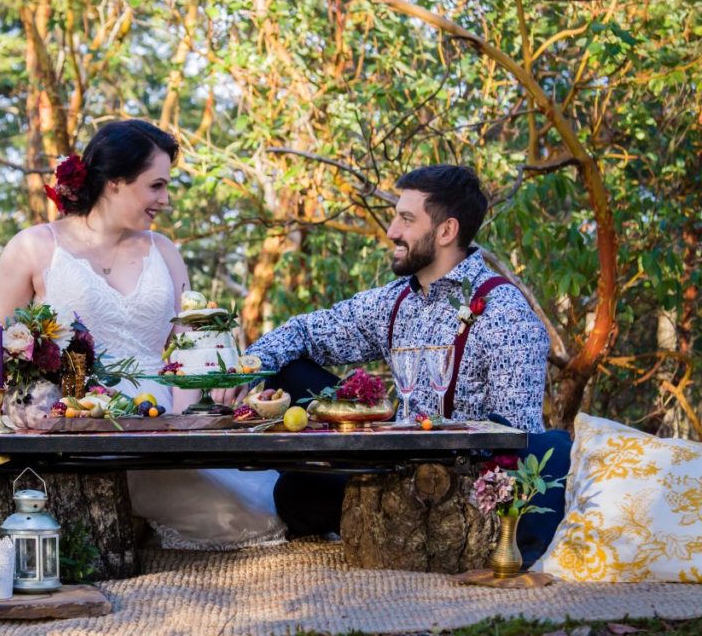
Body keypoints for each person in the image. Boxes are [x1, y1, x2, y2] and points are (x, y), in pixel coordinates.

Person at [217, 165, 568, 561]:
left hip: (458, 495)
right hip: (386, 471)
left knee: (549, 446)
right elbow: (307, 332)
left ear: (446, 231)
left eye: (405, 219)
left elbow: (518, 443)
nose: (391, 232)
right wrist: (252, 364)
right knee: (293, 470)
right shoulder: (394, 300)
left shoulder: (505, 313)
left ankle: (431, 539)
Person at [0, 119, 286, 550]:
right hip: (74, 423)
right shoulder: (34, 247)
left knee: (249, 514)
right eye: (156, 186)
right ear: (113, 183)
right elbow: (0, 351)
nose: (165, 200)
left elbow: (190, 349)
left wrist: (200, 423)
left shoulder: (163, 250)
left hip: (160, 425)